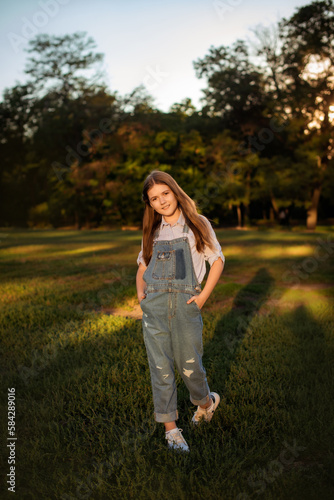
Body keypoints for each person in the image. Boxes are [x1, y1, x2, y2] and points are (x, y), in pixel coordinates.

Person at [136, 170, 225, 452]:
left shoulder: (198, 225)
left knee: (191, 368)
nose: (161, 201)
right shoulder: (153, 232)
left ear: (174, 192)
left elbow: (218, 260)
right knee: (160, 369)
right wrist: (141, 294)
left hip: (187, 306)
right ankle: (171, 430)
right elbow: (142, 266)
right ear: (149, 204)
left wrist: (201, 299)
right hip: (156, 309)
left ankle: (206, 403)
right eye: (154, 198)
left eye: (165, 193)